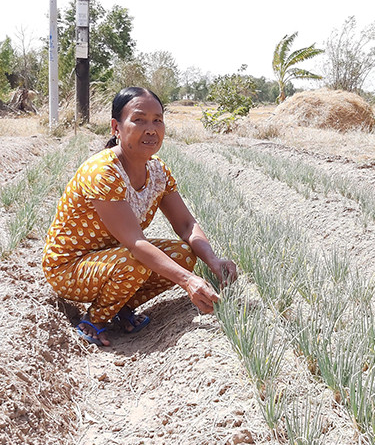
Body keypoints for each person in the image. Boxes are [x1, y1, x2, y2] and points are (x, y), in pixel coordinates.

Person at [42, 87, 238, 346]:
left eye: (157, 120)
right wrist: (188, 280)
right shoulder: (103, 172)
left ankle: (118, 305)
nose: (151, 129)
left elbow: (187, 224)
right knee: (136, 261)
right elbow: (135, 243)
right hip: (71, 268)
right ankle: (95, 319)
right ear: (116, 127)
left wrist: (212, 260)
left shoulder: (158, 172)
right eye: (139, 119)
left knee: (184, 254)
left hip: (113, 258)